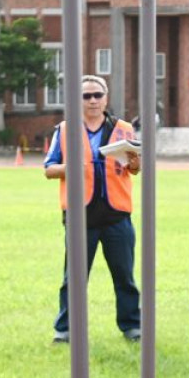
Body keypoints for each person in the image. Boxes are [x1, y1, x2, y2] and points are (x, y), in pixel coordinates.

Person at [43, 74, 142, 343]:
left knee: (125, 276)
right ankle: (64, 330)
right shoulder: (64, 130)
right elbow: (49, 169)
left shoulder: (123, 129)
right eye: (86, 96)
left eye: (97, 95)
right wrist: (70, 168)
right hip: (79, 215)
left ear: (106, 98)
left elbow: (135, 169)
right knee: (73, 279)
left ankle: (132, 326)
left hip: (117, 216)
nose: (93, 100)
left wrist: (135, 160)